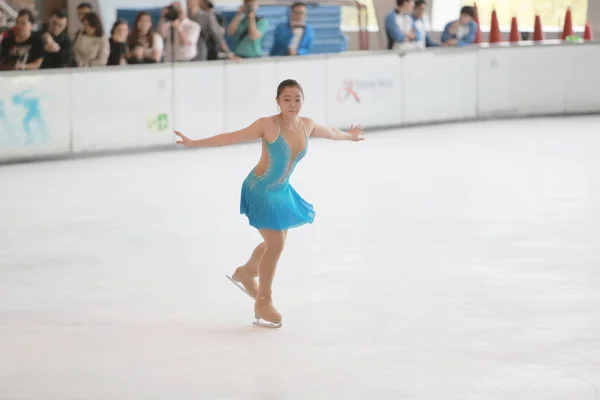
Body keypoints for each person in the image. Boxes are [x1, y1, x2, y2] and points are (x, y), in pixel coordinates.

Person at [173, 79, 365, 328]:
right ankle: (263, 301)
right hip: (259, 189)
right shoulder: (268, 125)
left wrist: (349, 136)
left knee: (274, 242)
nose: (293, 104)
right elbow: (232, 137)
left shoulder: (307, 125)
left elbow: (330, 132)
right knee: (276, 243)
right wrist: (194, 143)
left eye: (297, 99)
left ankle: (245, 273)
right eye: (287, 99)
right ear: (278, 101)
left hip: (282, 191)